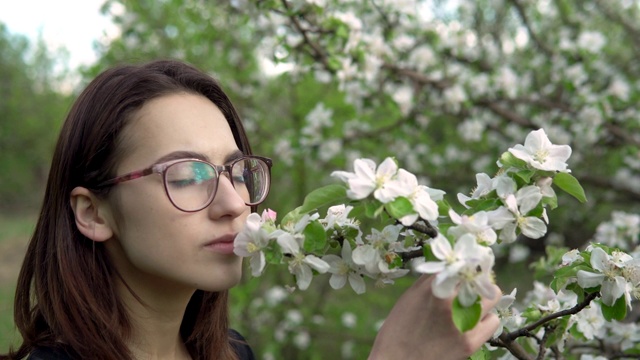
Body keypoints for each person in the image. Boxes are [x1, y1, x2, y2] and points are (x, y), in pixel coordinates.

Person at [0, 60, 500, 360]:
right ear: (93, 213)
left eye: (237, 171)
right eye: (188, 175)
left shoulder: (231, 353)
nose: (235, 204)